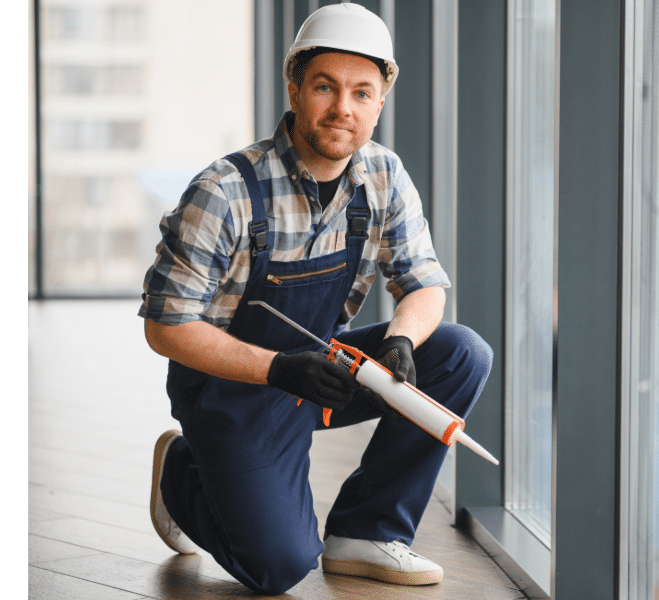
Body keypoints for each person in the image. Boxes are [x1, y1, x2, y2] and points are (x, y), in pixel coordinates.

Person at [139, 4, 492, 595]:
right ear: (296, 89)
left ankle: (367, 531)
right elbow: (166, 328)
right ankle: (182, 475)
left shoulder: (382, 175)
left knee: (459, 352)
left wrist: (402, 338)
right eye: (326, 87)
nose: (343, 109)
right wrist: (279, 369)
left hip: (319, 374)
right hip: (231, 391)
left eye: (362, 92)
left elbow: (424, 283)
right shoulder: (224, 192)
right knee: (279, 567)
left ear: (380, 102)